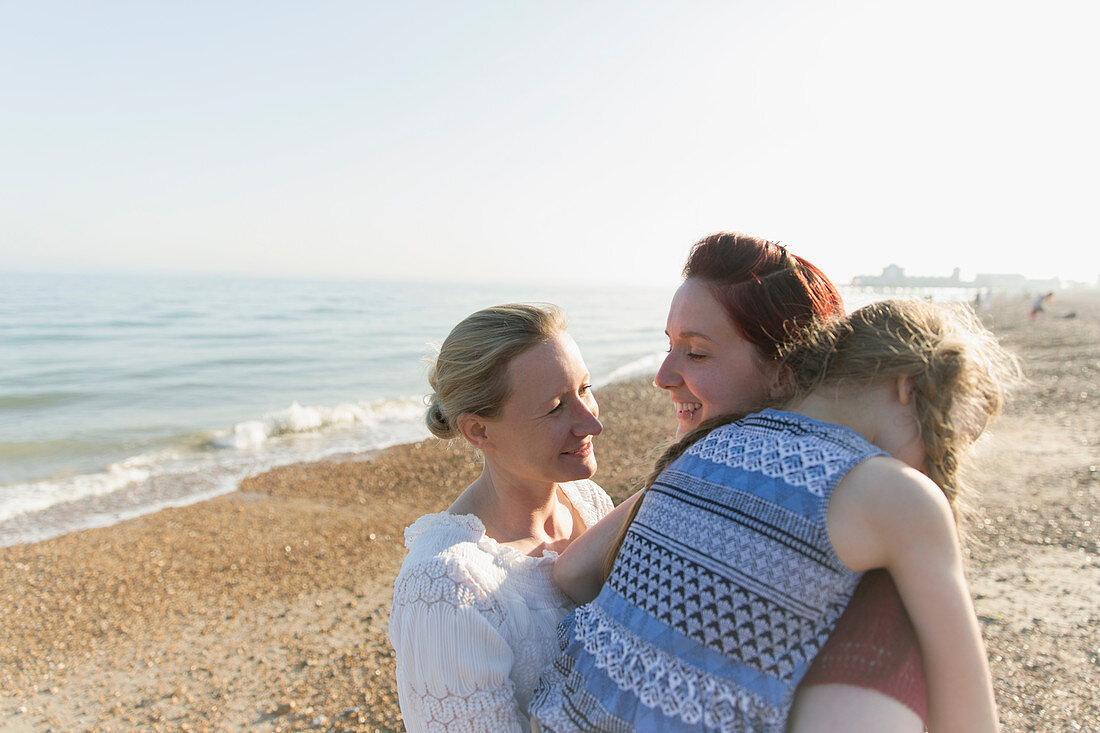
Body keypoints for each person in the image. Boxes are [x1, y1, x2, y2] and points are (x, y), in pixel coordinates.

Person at [530, 298, 1018, 732]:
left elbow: (574, 574)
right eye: (938, 438)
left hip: (555, 713)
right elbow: (970, 720)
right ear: (909, 389)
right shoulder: (887, 491)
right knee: (891, 607)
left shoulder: (712, 439)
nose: (930, 466)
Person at [649, 231, 931, 730]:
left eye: (696, 353)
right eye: (669, 346)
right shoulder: (869, 505)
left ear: (785, 372)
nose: (662, 375)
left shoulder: (694, 479)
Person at [389, 303, 614, 732]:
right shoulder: (445, 586)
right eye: (554, 408)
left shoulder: (587, 501)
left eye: (585, 389)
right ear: (479, 431)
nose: (590, 422)